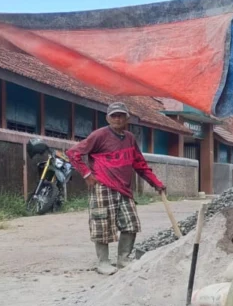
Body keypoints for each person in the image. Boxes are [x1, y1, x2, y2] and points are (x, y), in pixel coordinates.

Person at [66, 102, 166, 275]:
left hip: (124, 189)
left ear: (127, 118)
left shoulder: (130, 139)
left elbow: (140, 164)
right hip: (103, 186)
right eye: (114, 115)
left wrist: (155, 182)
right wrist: (87, 175)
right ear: (108, 118)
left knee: (131, 224)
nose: (117, 119)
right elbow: (73, 153)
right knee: (102, 225)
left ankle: (123, 258)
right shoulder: (99, 135)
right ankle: (103, 262)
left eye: (121, 115)